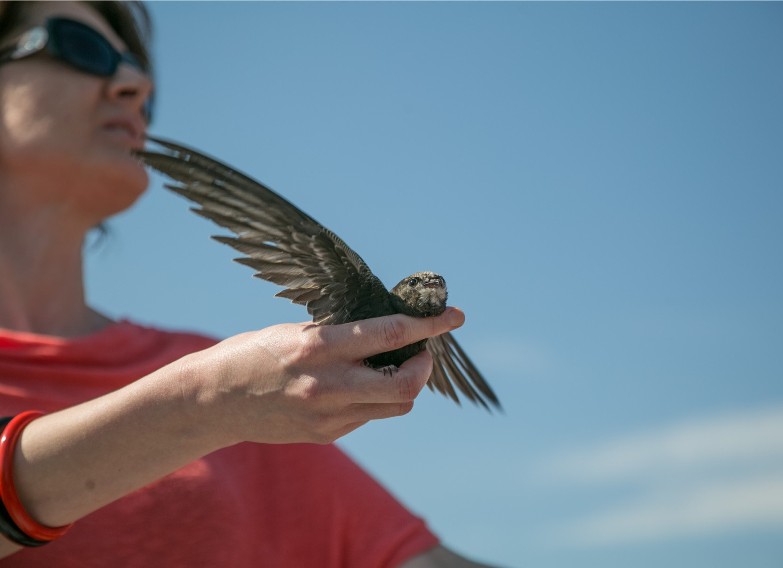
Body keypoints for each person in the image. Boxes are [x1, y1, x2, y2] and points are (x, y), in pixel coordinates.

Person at [0, 2, 497, 566]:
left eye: (142, 74)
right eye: (80, 48)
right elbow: (214, 396)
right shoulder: (230, 385)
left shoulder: (250, 383)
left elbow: (415, 559)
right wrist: (202, 405)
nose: (135, 84)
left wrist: (217, 400)